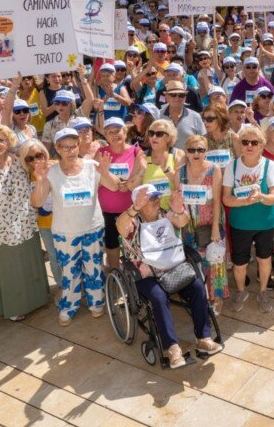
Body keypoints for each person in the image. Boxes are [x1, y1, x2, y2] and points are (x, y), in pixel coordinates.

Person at [117, 184, 222, 369]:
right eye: (152, 198)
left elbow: (182, 222)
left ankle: (203, 337)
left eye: (157, 197)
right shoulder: (133, 223)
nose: (157, 201)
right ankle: (172, 347)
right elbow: (119, 226)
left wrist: (179, 210)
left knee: (197, 286)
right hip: (145, 275)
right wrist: (134, 208)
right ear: (138, 203)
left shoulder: (164, 215)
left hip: (172, 269)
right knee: (158, 297)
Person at [32, 129, 119, 326]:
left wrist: (105, 172)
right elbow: (37, 202)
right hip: (65, 233)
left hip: (92, 229)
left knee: (94, 268)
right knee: (70, 272)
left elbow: (114, 187)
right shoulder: (51, 172)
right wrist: (39, 181)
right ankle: (69, 306)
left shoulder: (92, 166)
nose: (70, 151)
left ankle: (96, 302)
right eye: (65, 147)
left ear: (79, 146)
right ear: (57, 148)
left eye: (74, 146)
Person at [0, 125, 49, 322]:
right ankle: (14, 307)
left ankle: (37, 300)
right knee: (9, 272)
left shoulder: (19, 163)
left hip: (26, 225)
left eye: (2, 140)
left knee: (30, 264)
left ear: (9, 143)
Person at [223, 125, 274, 313]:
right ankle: (241, 291)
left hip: (266, 222)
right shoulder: (233, 165)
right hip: (241, 223)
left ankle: (263, 291)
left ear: (261, 145)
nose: (249, 146)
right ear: (239, 144)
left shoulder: (269, 165)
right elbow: (226, 198)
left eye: (254, 142)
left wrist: (261, 197)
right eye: (245, 142)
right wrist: (245, 201)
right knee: (240, 262)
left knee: (264, 258)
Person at [174, 135, 228, 314]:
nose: (196, 153)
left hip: (210, 222)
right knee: (195, 263)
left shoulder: (214, 170)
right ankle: (200, 296)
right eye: (192, 150)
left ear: (206, 152)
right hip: (189, 225)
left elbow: (217, 201)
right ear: (186, 152)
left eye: (201, 150)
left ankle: (217, 297)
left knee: (215, 262)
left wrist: (214, 228)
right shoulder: (180, 172)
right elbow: (177, 200)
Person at [97, 117, 146, 270]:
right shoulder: (101, 153)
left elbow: (139, 174)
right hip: (107, 210)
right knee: (111, 245)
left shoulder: (136, 151)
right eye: (109, 132)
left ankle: (136, 275)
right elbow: (100, 178)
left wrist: (128, 183)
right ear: (105, 136)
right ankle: (115, 273)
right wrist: (120, 183)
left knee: (134, 245)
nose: (114, 135)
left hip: (131, 210)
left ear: (125, 132)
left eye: (117, 130)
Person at [18, 139, 61, 287]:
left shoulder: (57, 166)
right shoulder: (24, 177)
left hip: (66, 220)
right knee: (54, 257)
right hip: (45, 224)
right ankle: (63, 286)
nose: (35, 160)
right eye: (30, 158)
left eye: (39, 155)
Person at [163, 81, 206, 149]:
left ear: (185, 98)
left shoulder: (195, 116)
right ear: (166, 97)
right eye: (173, 95)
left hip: (189, 159)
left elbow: (203, 141)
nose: (177, 98)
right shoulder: (158, 115)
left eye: (181, 95)